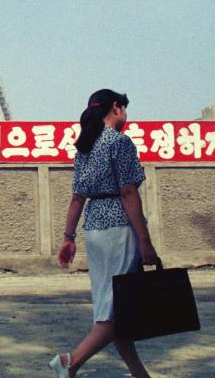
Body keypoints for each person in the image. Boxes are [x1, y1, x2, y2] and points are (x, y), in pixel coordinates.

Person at [49, 89, 159, 378]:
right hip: (119, 230)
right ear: (116, 107)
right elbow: (128, 191)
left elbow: (77, 198)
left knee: (114, 306)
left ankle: (140, 375)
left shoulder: (85, 146)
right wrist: (145, 241)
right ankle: (69, 362)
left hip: (94, 230)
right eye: (124, 108)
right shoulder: (120, 143)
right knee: (115, 311)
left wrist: (68, 237)